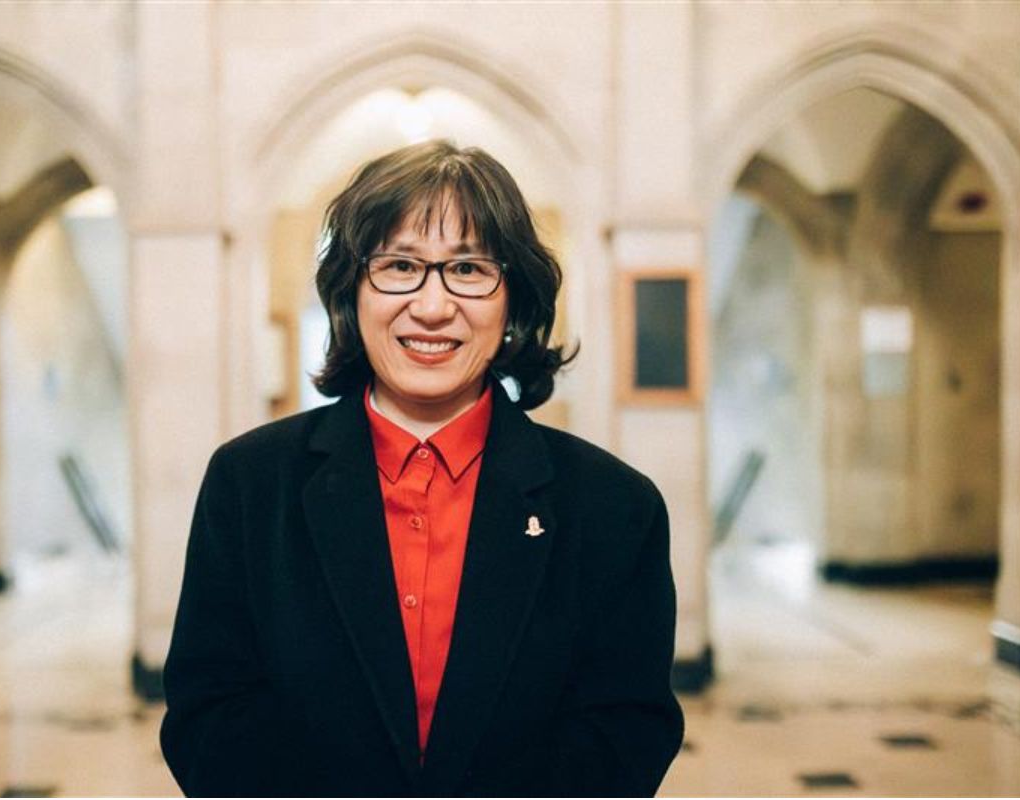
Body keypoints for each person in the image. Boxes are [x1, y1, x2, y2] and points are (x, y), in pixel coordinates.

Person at [160, 140, 684, 797]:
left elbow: (623, 733)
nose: (433, 307)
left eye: (467, 269)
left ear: (512, 300)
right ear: (351, 293)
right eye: (400, 265)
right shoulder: (248, 484)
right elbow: (211, 712)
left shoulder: (615, 506)